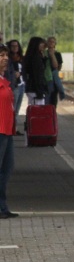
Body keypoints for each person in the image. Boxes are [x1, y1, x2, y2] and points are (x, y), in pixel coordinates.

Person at [0, 44, 18, 218]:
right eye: (1, 55)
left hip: (7, 130)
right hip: (0, 130)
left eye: (6, 55)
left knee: (7, 168)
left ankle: (3, 206)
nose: (5, 58)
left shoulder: (4, 80)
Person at [5, 40, 24, 135]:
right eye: (12, 46)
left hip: (21, 85)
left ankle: (14, 128)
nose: (15, 47)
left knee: (17, 109)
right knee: (13, 109)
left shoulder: (21, 58)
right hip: (14, 86)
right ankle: (11, 129)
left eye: (16, 45)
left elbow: (25, 69)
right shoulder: (8, 59)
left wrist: (21, 73)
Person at [23, 36, 48, 108]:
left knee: (33, 109)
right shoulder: (36, 59)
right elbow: (37, 76)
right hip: (35, 89)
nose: (43, 45)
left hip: (33, 88)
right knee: (37, 110)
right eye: (41, 43)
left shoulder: (32, 57)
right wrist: (39, 91)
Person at [46, 36, 65, 107]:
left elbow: (58, 66)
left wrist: (52, 55)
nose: (51, 43)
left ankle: (62, 94)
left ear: (55, 44)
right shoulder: (44, 53)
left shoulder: (58, 54)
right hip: (47, 76)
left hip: (54, 74)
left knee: (54, 97)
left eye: (52, 42)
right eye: (49, 41)